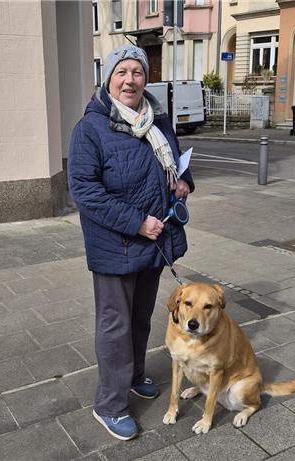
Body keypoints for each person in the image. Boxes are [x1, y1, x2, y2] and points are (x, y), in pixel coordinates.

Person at [68, 44, 194, 441]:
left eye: (137, 73)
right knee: (115, 326)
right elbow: (84, 190)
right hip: (117, 246)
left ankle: (136, 375)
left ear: (145, 79)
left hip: (155, 244)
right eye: (121, 72)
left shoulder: (158, 121)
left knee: (141, 318)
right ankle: (109, 404)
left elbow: (178, 162)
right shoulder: (91, 129)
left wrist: (186, 183)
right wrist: (137, 222)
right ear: (108, 78)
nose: (130, 80)